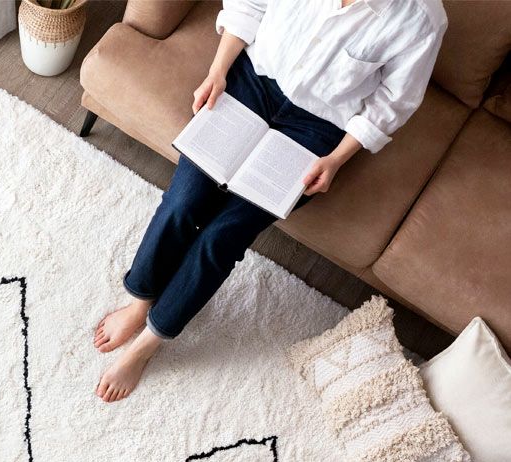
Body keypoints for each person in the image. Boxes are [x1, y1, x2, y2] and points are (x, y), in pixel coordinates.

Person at [94, 0, 447, 402]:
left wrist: (335, 160)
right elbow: (249, 5)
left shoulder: (422, 19)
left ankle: (150, 342)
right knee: (184, 200)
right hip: (250, 82)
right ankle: (139, 302)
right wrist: (217, 71)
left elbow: (391, 103)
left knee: (224, 235)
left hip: (318, 128)